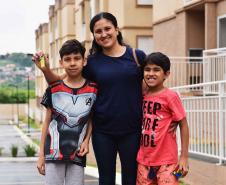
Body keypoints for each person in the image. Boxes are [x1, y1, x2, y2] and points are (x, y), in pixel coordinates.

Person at [33, 12, 146, 185]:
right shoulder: (91, 62)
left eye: (107, 29)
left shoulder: (137, 56)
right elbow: (59, 82)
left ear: (116, 29)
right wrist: (45, 69)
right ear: (94, 35)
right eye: (98, 31)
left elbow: (149, 88)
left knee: (131, 179)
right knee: (106, 180)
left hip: (132, 131)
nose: (104, 34)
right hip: (103, 132)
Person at [36, 39, 98, 185]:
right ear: (61, 62)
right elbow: (46, 122)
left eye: (77, 58)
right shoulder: (53, 88)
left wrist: (86, 141)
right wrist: (41, 155)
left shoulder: (93, 89)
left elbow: (90, 118)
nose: (72, 63)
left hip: (77, 154)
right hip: (53, 152)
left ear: (84, 61)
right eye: (67, 59)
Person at [136, 52, 189, 185]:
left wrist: (183, 157)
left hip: (167, 162)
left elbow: (183, 125)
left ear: (166, 74)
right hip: (144, 160)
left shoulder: (170, 96)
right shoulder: (143, 95)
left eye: (156, 70)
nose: (151, 73)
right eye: (147, 69)